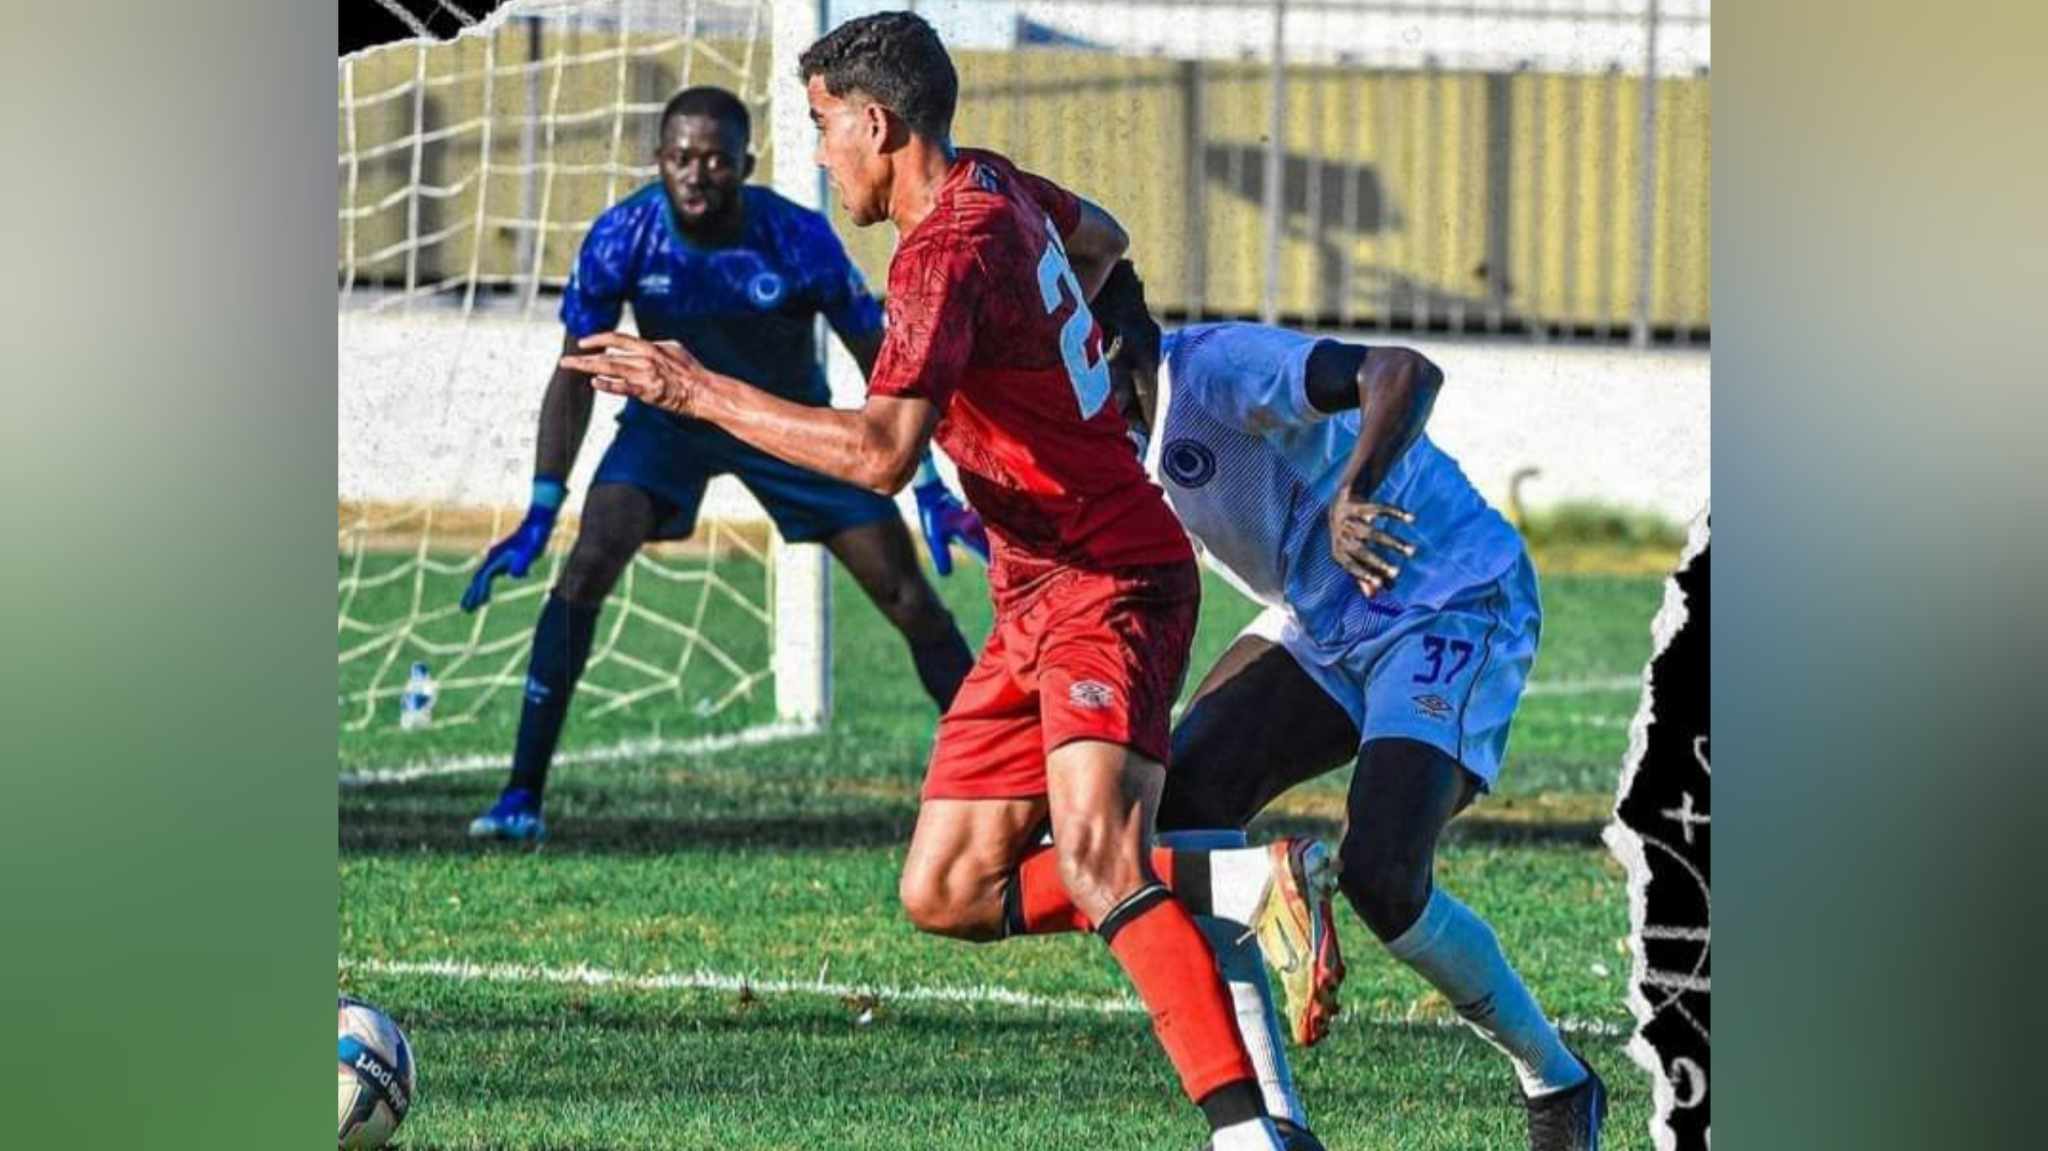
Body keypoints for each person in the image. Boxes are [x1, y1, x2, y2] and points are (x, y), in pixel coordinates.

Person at [554, 15, 1337, 1151]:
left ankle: (1244, 1136)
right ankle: (1238, 880)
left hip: (1108, 577)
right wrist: (1077, 366)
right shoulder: (994, 187)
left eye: (823, 128)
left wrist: (695, 389)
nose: (817, 155)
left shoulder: (938, 253)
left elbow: (879, 453)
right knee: (948, 889)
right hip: (1034, 591)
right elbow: (1106, 240)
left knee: (1097, 859)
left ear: (875, 123)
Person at [1088, 260, 1610, 1151]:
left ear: (1098, 341)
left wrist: (1355, 490)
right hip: (1321, 618)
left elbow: (1401, 370)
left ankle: (1558, 1081)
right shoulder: (1110, 435)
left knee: (1380, 873)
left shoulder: (1215, 368)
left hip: (1445, 593)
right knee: (1180, 810)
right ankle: (1275, 1124)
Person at [461, 85, 982, 843]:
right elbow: (575, 370)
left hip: (790, 425)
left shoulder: (796, 236)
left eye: (713, 160)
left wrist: (928, 483)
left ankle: (1012, 787)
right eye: (679, 158)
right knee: (585, 567)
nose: (695, 174)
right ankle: (520, 796)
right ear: (658, 160)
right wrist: (544, 504)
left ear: (746, 163)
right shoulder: (623, 235)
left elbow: (882, 358)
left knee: (909, 597)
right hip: (670, 424)